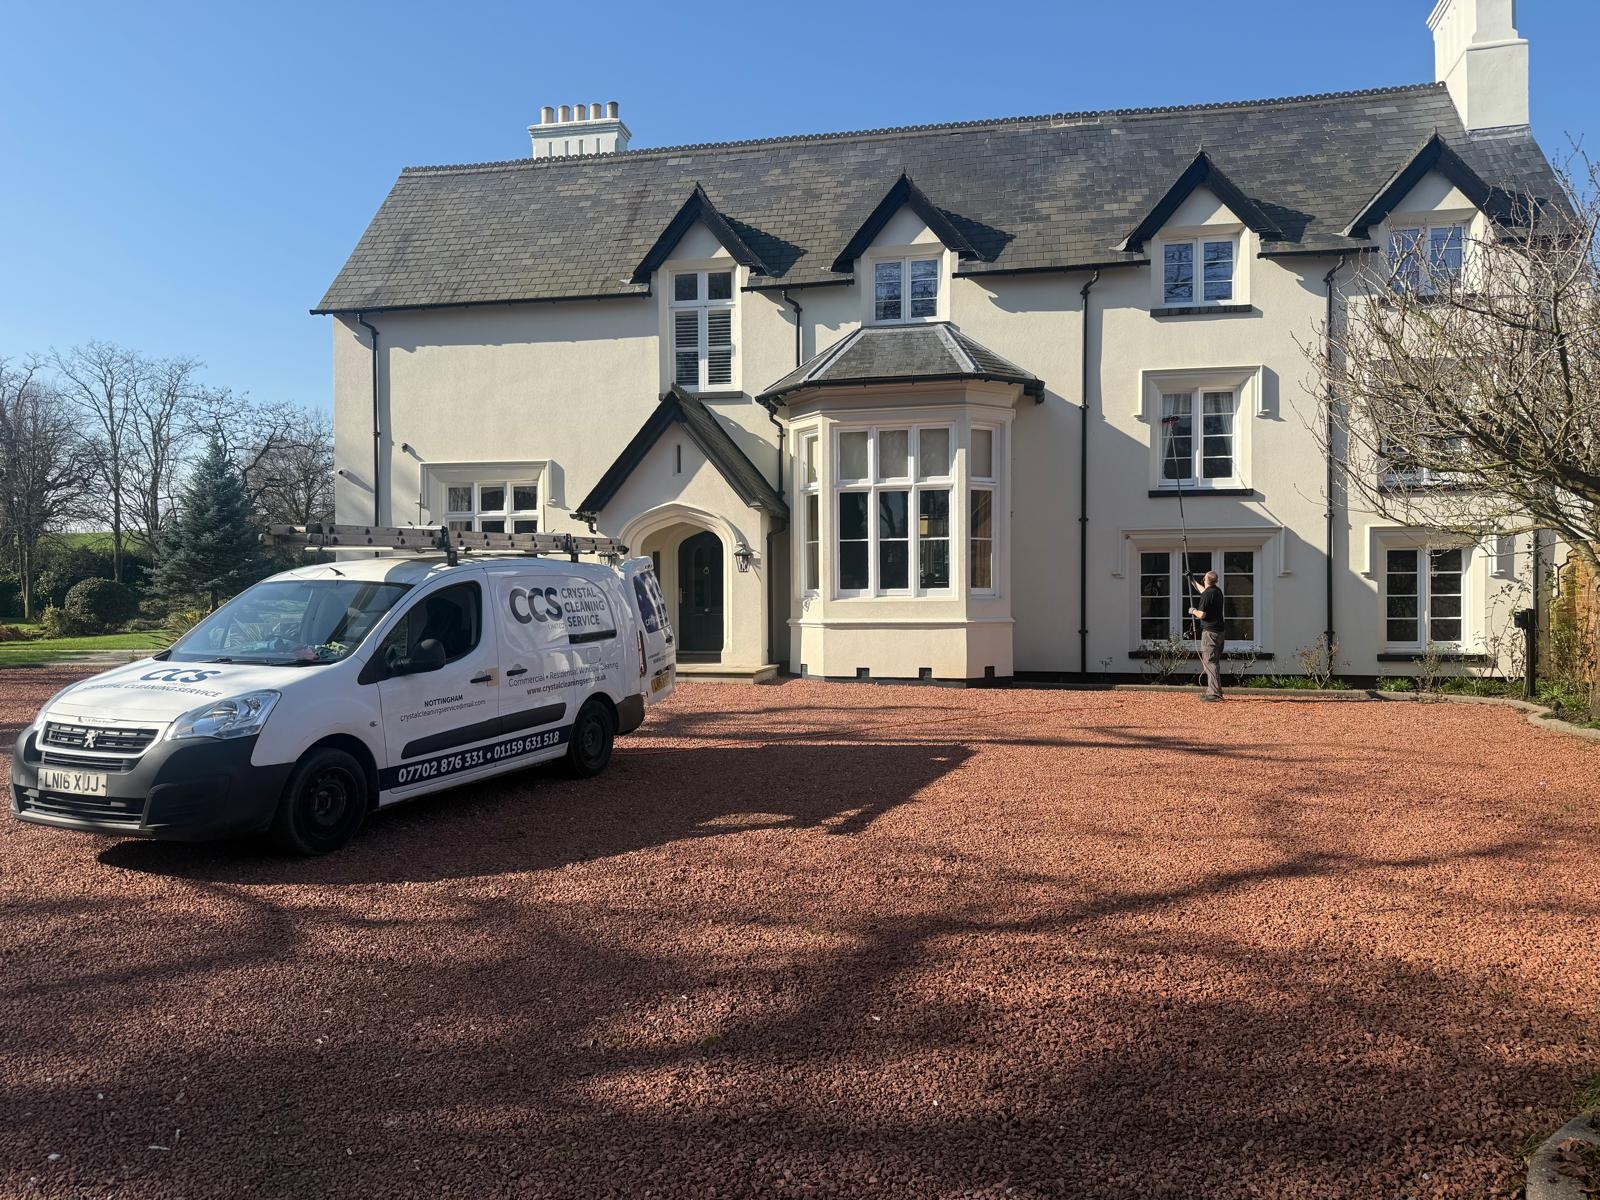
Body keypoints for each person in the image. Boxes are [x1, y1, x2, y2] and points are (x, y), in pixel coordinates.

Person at [1189, 569, 1225, 701]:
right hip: (1220, 632)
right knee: (1214, 662)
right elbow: (1203, 591)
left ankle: (1214, 694)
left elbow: (1202, 614)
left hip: (1210, 632)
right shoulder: (1217, 591)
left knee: (1210, 662)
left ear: (1205, 580)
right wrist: (1192, 581)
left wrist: (1193, 611)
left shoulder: (1207, 595)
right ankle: (1216, 691)